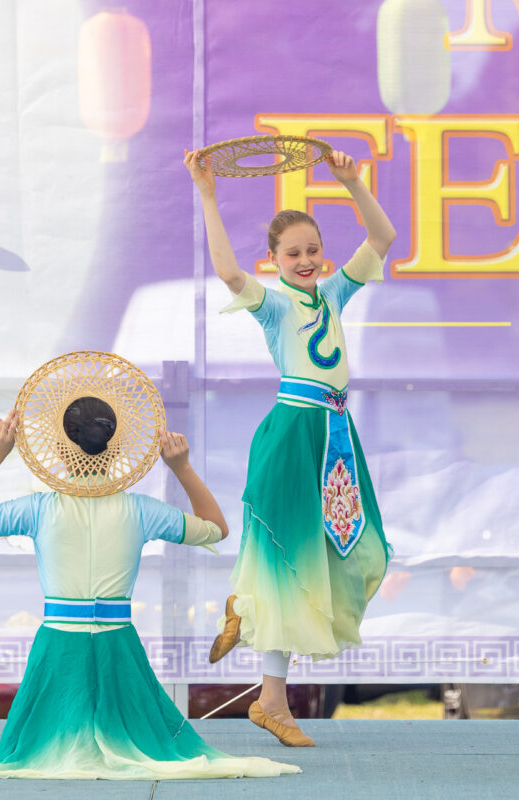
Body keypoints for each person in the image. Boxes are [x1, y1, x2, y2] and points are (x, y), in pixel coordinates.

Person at [0, 386, 299, 780]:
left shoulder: (38, 508)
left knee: (27, 756)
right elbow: (214, 529)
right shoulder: (140, 510)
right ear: (116, 445)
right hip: (120, 648)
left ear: (59, 448)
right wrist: (181, 467)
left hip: (57, 652)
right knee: (158, 747)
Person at [184, 148, 395, 747]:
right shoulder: (274, 306)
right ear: (273, 262)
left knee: (335, 560)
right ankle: (270, 695)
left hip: (333, 440)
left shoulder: (334, 294)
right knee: (289, 562)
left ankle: (248, 624)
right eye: (292, 253)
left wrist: (354, 184)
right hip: (291, 435)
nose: (305, 260)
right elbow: (227, 272)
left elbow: (383, 235)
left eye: (311, 251)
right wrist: (207, 194)